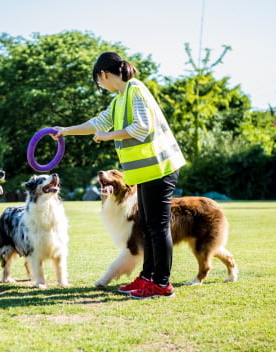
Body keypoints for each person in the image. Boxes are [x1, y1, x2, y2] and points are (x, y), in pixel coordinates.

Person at [54, 52, 186, 299]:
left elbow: (142, 126)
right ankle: (147, 278)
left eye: (99, 82)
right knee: (147, 226)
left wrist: (109, 135)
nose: (100, 86)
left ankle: (162, 283)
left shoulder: (135, 89)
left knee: (157, 227)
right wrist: (66, 131)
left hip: (160, 168)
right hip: (146, 172)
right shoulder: (118, 101)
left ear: (104, 74)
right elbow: (98, 122)